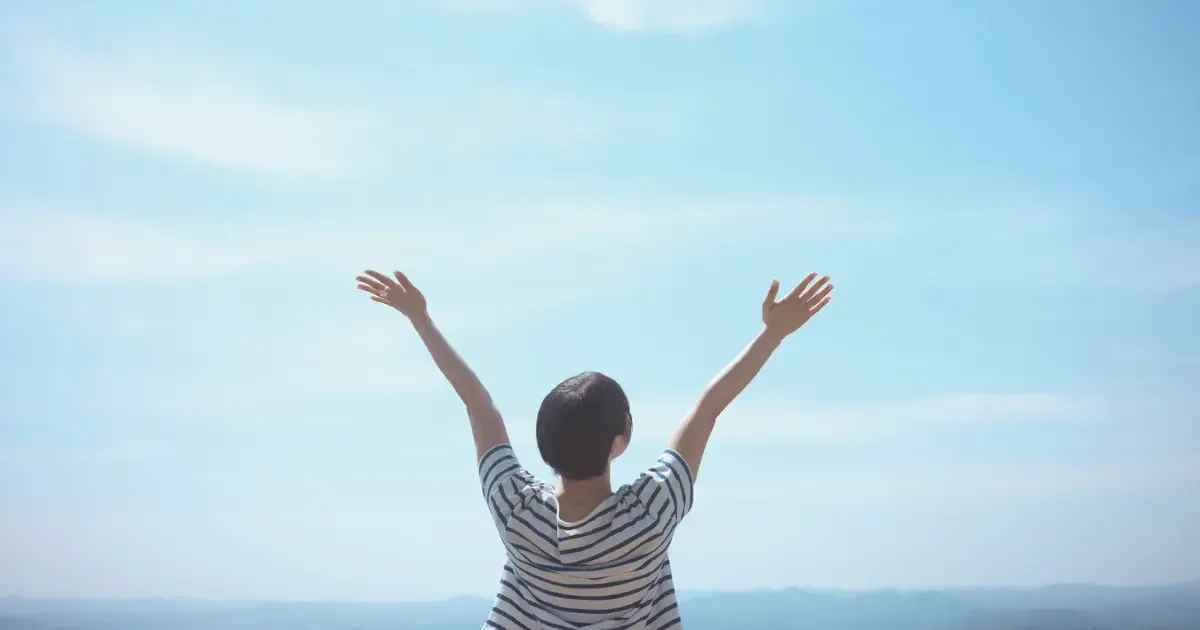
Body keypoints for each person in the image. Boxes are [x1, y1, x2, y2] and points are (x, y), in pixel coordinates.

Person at [355, 269, 833, 630]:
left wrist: (420, 318)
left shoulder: (516, 510)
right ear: (619, 442)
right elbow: (707, 410)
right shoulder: (650, 513)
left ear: (544, 446)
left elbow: (479, 406)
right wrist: (772, 333)